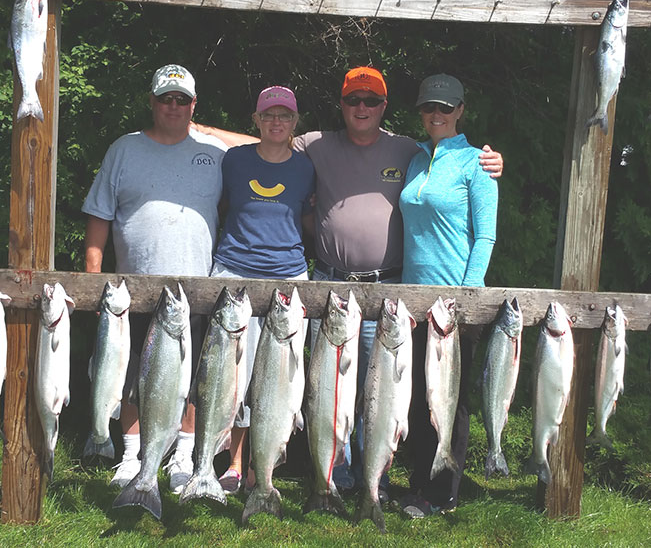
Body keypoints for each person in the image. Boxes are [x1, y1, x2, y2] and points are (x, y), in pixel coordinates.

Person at [196, 66, 503, 500]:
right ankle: (332, 474)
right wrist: (196, 128)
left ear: (385, 107)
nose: (362, 108)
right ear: (342, 104)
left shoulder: (410, 151)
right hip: (330, 287)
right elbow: (269, 139)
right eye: (354, 100)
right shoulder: (318, 144)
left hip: (387, 293)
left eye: (371, 101)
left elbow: (459, 167)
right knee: (327, 389)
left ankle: (374, 476)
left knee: (382, 392)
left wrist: (489, 159)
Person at [82, 64, 246, 490]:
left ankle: (183, 458)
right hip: (132, 291)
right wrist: (93, 277)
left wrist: (208, 129)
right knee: (133, 374)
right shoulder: (124, 149)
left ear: (194, 105)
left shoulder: (215, 152)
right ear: (151, 102)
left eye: (182, 99)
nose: (173, 106)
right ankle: (134, 457)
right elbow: (99, 215)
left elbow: (269, 145)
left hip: (198, 289)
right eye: (165, 98)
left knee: (193, 381)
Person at [397, 73, 498, 518]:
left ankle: (443, 495)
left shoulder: (478, 164)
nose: (435, 115)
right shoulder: (416, 159)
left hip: (454, 307)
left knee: (451, 401)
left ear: (460, 111)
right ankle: (421, 484)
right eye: (427, 108)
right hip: (413, 300)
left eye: (444, 108)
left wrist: (466, 294)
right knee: (419, 397)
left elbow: (486, 236)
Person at [209, 86, 315, 494]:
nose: (276, 122)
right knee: (236, 372)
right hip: (234, 272)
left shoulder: (307, 167)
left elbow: (308, 214)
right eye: (269, 115)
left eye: (285, 116)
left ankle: (262, 467)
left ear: (294, 122)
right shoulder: (234, 160)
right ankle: (233, 464)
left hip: (288, 276)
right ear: (255, 120)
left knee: (278, 378)